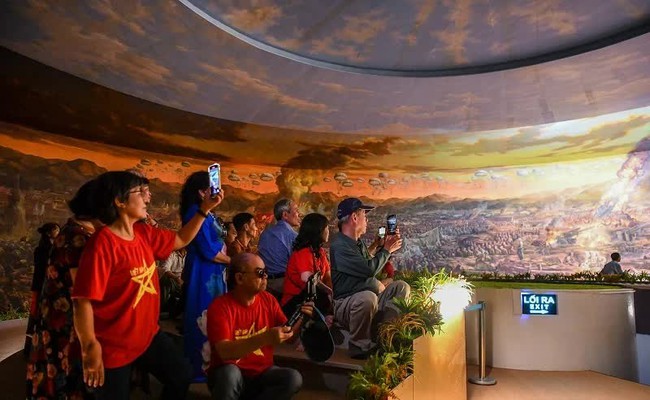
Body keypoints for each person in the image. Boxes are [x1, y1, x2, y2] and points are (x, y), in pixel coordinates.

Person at [72, 171, 224, 400]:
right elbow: (83, 301)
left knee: (181, 375)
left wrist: (205, 209)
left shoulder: (143, 233)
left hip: (147, 335)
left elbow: (181, 239)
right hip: (113, 344)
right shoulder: (102, 245)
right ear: (120, 201)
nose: (147, 198)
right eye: (140, 192)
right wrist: (89, 345)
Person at [26, 181, 98, 399]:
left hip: (57, 314)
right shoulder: (79, 238)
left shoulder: (72, 229)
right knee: (62, 371)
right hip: (66, 320)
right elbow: (83, 290)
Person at [206, 253, 311, 400]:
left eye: (266, 272)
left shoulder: (268, 300)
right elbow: (225, 352)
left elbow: (289, 338)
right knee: (230, 374)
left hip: (261, 373)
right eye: (260, 273)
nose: (265, 277)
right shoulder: (220, 307)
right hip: (228, 375)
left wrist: (302, 318)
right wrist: (265, 338)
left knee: (293, 378)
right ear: (239, 278)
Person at [330, 198, 410, 359]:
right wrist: (387, 250)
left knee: (401, 287)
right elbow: (369, 269)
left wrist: (378, 245)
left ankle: (386, 336)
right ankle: (359, 346)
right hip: (349, 303)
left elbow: (365, 262)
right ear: (354, 218)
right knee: (367, 298)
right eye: (364, 216)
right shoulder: (340, 245)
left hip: (368, 298)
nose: (367, 220)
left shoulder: (356, 243)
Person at [180, 171, 231, 383]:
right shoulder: (195, 212)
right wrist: (235, 261)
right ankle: (199, 369)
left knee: (215, 319)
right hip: (203, 274)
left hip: (214, 274)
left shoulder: (207, 213)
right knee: (203, 319)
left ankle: (213, 365)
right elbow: (207, 249)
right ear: (202, 192)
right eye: (213, 188)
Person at [281, 213, 333, 320]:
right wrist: (330, 292)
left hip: (313, 299)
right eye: (326, 228)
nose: (328, 231)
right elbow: (309, 282)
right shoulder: (303, 252)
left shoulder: (320, 252)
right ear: (318, 230)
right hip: (296, 302)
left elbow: (327, 277)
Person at [24, 222, 60, 356]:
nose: (59, 232)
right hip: (44, 285)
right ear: (50, 233)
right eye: (57, 230)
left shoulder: (40, 249)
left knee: (35, 316)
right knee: (41, 316)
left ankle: (30, 349)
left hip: (38, 285)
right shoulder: (50, 250)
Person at [257, 199, 301, 297]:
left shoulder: (265, 233)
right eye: (296, 210)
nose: (299, 214)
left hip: (265, 284)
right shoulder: (293, 236)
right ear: (285, 215)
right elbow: (297, 264)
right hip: (285, 284)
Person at [159, 248, 186, 317]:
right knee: (167, 281)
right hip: (173, 279)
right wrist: (176, 278)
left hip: (183, 281)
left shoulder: (189, 255)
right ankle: (160, 308)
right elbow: (165, 269)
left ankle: (176, 313)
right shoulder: (172, 254)